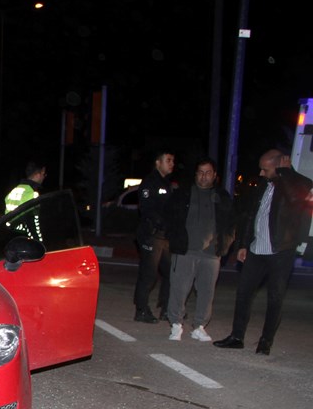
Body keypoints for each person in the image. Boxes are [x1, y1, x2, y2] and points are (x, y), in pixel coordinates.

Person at [213, 149, 313, 354]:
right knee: (243, 294)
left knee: (275, 298)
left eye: (265, 169)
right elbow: (251, 215)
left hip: (280, 251)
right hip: (256, 250)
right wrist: (242, 244)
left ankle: (265, 342)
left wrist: (285, 174)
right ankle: (237, 336)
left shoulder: (299, 182)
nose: (260, 173)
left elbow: (295, 200)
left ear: (279, 167)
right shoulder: (263, 184)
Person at [163, 157, 235, 341]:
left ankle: (200, 326)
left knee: (206, 291)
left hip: (211, 253)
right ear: (196, 174)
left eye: (208, 173)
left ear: (215, 175)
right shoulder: (183, 194)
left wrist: (225, 244)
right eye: (201, 172)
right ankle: (176, 324)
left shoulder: (222, 197)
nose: (204, 177)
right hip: (185, 250)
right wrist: (174, 239)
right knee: (179, 289)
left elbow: (230, 224)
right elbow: (170, 217)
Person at [132, 149, 175, 323]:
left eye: (172, 160)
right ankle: (141, 310)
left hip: (165, 237)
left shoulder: (167, 183)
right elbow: (147, 209)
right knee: (149, 274)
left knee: (171, 273)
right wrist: (161, 223)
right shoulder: (150, 182)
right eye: (168, 160)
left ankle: (166, 308)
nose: (172, 163)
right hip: (151, 235)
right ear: (158, 162)